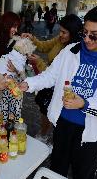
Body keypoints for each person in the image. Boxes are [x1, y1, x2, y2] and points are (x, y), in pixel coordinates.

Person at [19, 4, 97, 178]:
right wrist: (28, 84)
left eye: (94, 35)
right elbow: (50, 76)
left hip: (90, 132)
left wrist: (84, 103)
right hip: (62, 123)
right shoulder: (71, 51)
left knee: (83, 173)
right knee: (57, 169)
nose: (87, 39)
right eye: (84, 32)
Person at [21, 14, 83, 144]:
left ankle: (56, 140)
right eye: (60, 30)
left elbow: (57, 75)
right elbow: (44, 46)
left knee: (59, 113)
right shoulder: (60, 40)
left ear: (74, 33)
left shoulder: (74, 51)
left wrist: (39, 62)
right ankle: (44, 134)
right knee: (45, 110)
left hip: (61, 86)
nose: (60, 34)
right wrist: (32, 38)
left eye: (64, 32)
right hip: (48, 82)